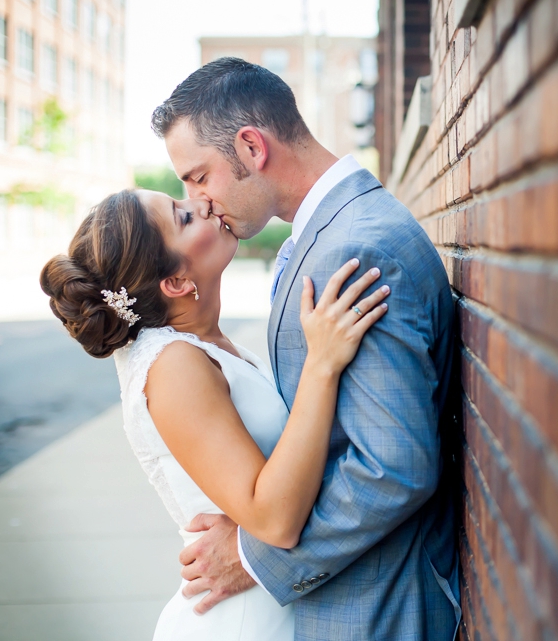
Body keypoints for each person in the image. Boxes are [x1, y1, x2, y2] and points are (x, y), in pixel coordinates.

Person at [152, 56, 460, 640]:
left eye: (197, 176)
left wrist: (252, 559)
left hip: (379, 608)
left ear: (250, 146)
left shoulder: (356, 249)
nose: (197, 198)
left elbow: (392, 467)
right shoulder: (325, 232)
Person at [41, 189, 389, 640]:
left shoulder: (203, 345)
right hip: (243, 621)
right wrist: (322, 364)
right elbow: (275, 519)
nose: (202, 202)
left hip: (274, 601)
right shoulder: (172, 365)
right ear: (176, 283)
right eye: (183, 217)